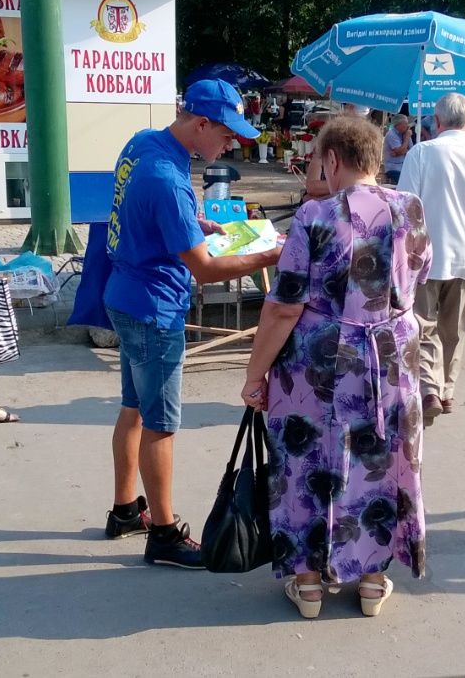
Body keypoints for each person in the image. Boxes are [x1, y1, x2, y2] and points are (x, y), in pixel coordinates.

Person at [241, 116, 432, 618]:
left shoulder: (315, 216)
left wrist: (254, 374)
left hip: (319, 362)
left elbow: (283, 306)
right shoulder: (410, 208)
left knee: (306, 463)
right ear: (374, 158)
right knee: (383, 457)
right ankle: (371, 582)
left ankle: (307, 586)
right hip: (392, 355)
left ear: (331, 160)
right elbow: (420, 274)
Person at [103, 79, 281, 569]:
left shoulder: (146, 143)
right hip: (154, 307)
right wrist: (270, 253)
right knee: (161, 423)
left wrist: (191, 224)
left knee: (133, 407)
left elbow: (140, 211)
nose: (231, 146)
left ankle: (124, 509)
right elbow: (203, 269)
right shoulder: (167, 176)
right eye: (227, 136)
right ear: (200, 123)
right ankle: (163, 533)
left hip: (126, 293)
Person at [398, 93, 465, 426]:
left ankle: (428, 388)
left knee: (423, 324)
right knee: (454, 330)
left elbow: (404, 208)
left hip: (427, 254)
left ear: (436, 121)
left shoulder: (421, 153)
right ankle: (446, 391)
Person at [383, 113, 413, 184]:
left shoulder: (405, 133)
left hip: (403, 168)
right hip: (393, 169)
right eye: (405, 123)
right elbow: (401, 151)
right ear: (398, 124)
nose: (408, 126)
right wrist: (406, 138)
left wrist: (400, 152)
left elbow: (411, 150)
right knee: (405, 184)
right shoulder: (391, 134)